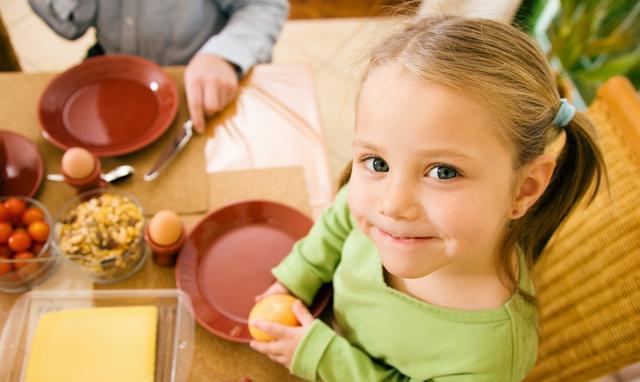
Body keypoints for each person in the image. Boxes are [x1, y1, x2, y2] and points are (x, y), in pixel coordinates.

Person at [248, 16, 605, 381]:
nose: (392, 204)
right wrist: (297, 279)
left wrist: (322, 355)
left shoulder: (492, 356)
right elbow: (340, 215)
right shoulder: (389, 222)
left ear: (524, 188)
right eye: (377, 162)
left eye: (443, 172)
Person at [28, 0, 289, 133]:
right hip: (117, 71)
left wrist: (224, 56)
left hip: (202, 74)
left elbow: (263, 4)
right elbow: (71, 25)